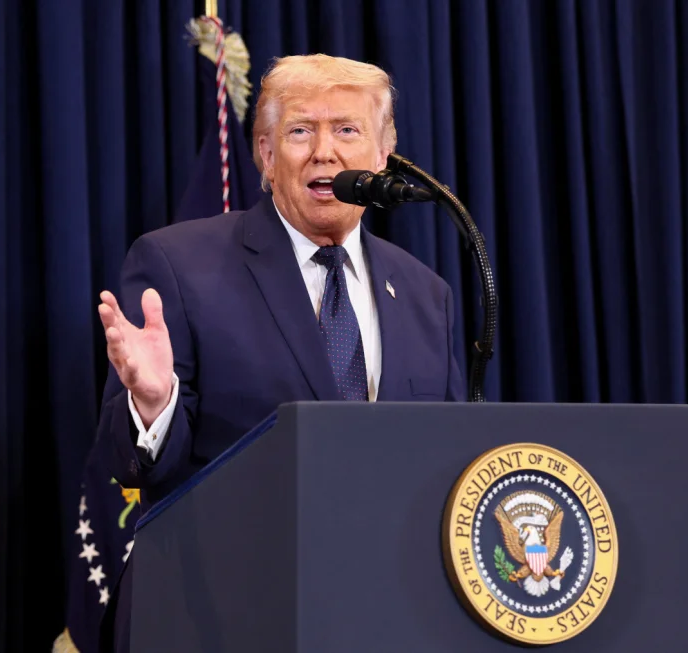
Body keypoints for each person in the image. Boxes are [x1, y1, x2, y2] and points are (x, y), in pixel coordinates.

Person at [94, 54, 465, 652]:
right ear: (265, 156)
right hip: (219, 616)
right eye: (300, 131)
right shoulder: (179, 265)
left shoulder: (427, 294)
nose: (325, 152)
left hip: (383, 616)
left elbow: (445, 463)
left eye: (347, 130)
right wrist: (155, 404)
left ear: (382, 156)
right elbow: (129, 463)